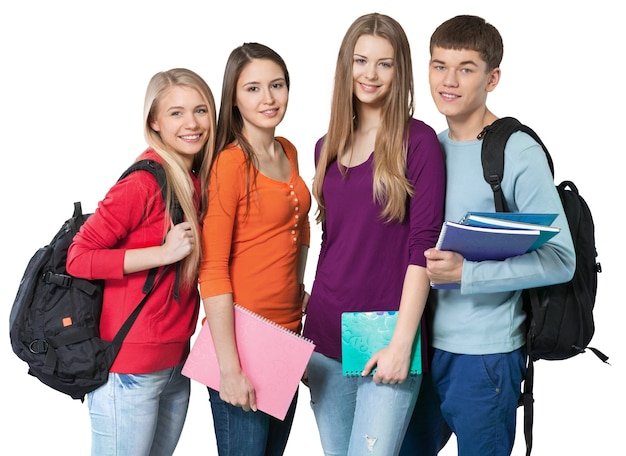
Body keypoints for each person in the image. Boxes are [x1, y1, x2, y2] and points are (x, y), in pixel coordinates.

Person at [401, 15, 576, 456]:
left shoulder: (516, 151)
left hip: (486, 357)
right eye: (439, 66)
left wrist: (468, 274)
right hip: (420, 347)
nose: (449, 81)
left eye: (466, 68)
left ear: (492, 77)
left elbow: (560, 258)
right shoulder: (430, 147)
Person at [302, 12, 446, 456]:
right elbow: (333, 241)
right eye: (361, 61)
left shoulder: (418, 143)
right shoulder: (326, 145)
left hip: (386, 331)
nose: (370, 74)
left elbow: (424, 247)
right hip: (326, 333)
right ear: (346, 65)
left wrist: (403, 342)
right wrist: (308, 326)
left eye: (384, 64)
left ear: (400, 70)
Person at [66, 68, 217, 455]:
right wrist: (163, 254)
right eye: (176, 113)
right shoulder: (143, 183)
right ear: (155, 121)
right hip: (128, 369)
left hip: (174, 367)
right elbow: (79, 258)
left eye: (201, 110)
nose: (192, 123)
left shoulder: (195, 179)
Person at [198, 42, 311, 456]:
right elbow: (211, 268)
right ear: (233, 97)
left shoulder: (289, 151)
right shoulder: (230, 163)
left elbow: (298, 230)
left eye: (276, 85)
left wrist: (298, 284)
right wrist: (230, 368)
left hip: (286, 335)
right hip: (241, 342)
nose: (268, 98)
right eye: (253, 89)